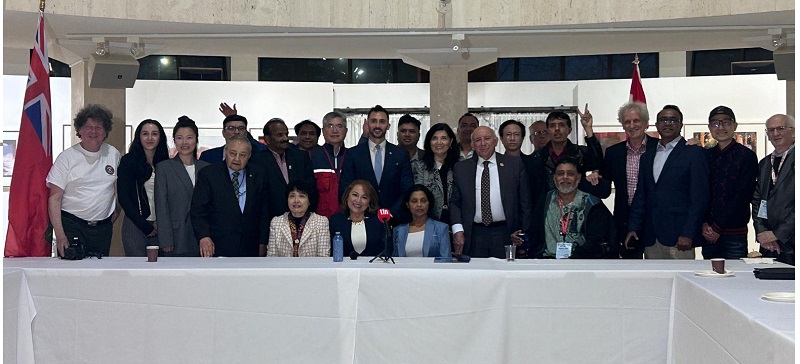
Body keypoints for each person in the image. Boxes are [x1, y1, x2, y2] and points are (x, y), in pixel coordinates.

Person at [626, 105, 709, 259]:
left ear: (680, 125)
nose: (668, 123)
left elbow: (699, 198)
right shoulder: (647, 156)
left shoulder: (693, 153)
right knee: (655, 282)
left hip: (679, 237)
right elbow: (641, 196)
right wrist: (633, 228)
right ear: (656, 125)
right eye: (663, 120)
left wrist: (688, 233)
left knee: (682, 281)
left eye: (673, 120)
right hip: (651, 236)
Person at [47, 104, 121, 257]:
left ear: (105, 131)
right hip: (72, 226)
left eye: (99, 127)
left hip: (102, 228)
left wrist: (113, 216)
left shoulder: (112, 154)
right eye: (88, 127)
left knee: (99, 275)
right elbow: (54, 199)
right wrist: (60, 235)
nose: (93, 131)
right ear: (79, 130)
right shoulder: (66, 158)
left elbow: (118, 190)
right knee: (73, 276)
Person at [589, 102, 659, 259]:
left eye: (636, 120)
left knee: (657, 269)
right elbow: (604, 186)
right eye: (627, 121)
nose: (632, 125)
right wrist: (594, 177)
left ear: (646, 123)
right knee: (630, 272)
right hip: (624, 220)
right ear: (623, 125)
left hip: (654, 217)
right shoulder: (614, 153)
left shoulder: (659, 148)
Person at [450, 126, 532, 258]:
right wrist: (457, 231)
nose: (483, 143)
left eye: (487, 139)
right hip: (474, 233)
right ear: (472, 144)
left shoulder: (514, 165)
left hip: (505, 233)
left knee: (505, 275)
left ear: (495, 141)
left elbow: (525, 202)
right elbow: (455, 202)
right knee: (476, 275)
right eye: (478, 140)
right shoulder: (462, 168)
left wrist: (521, 232)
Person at [191, 136, 270, 257]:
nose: (237, 159)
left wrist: (262, 242)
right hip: (217, 243)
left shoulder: (258, 174)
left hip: (250, 245)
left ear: (249, 156)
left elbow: (264, 212)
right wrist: (204, 236)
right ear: (225, 152)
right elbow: (198, 210)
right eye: (233, 153)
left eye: (243, 155)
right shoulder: (209, 174)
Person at [522, 159, 616, 259]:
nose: (565, 177)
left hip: (582, 263)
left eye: (570, 174)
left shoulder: (591, 203)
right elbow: (535, 234)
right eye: (560, 174)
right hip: (548, 262)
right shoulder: (545, 201)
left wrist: (574, 259)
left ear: (579, 178)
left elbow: (595, 240)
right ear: (554, 178)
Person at [701, 106, 758, 259]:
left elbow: (742, 196)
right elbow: (701, 193)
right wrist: (705, 223)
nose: (721, 127)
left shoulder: (746, 156)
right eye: (715, 123)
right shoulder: (706, 156)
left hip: (734, 233)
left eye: (726, 122)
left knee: (736, 279)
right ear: (709, 127)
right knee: (709, 278)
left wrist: (717, 228)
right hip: (708, 233)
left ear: (735, 125)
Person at [339, 105, 414, 216]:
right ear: (367, 124)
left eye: (382, 122)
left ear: (388, 126)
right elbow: (345, 188)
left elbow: (407, 189)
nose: (378, 126)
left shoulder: (400, 154)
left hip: (394, 218)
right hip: (362, 217)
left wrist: (392, 213)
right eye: (373, 121)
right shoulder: (353, 154)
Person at [154, 116, 210, 257]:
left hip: (203, 237)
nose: (184, 142)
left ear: (196, 139)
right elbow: (161, 205)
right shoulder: (164, 168)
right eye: (179, 138)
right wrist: (165, 240)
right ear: (174, 140)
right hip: (176, 235)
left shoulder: (206, 168)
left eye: (189, 137)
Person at [118, 119, 169, 257]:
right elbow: (124, 197)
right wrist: (144, 225)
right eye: (145, 134)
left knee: (161, 270)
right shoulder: (128, 161)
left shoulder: (166, 162)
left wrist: (162, 220)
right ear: (138, 137)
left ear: (160, 137)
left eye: (154, 134)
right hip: (135, 223)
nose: (150, 138)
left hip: (162, 224)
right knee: (137, 270)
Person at [250, 118, 315, 218]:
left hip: (301, 216)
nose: (285, 138)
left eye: (286, 134)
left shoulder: (300, 157)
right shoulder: (257, 161)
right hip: (270, 218)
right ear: (267, 139)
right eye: (279, 135)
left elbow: (311, 188)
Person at [753, 114, 795, 265]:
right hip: (769, 245)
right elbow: (757, 200)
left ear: (793, 131)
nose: (775, 134)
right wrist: (762, 232)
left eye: (780, 129)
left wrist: (778, 234)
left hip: (792, 241)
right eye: (771, 130)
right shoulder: (765, 163)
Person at [530, 106, 603, 192]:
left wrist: (588, 129)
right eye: (552, 126)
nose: (557, 129)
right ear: (548, 130)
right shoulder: (537, 157)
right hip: (547, 203)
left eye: (561, 125)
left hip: (576, 202)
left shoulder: (580, 152)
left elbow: (598, 162)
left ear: (569, 130)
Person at [410, 123, 459, 224]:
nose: (439, 142)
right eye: (434, 138)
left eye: (444, 138)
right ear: (429, 142)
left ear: (451, 142)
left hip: (457, 222)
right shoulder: (418, 167)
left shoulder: (460, 166)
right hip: (427, 222)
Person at [267, 180, 330, 257]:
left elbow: (323, 257)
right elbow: (271, 257)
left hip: (311, 268)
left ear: (309, 200)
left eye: (301, 196)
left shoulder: (321, 222)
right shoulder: (276, 222)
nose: (296, 201)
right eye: (292, 196)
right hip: (283, 268)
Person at [329, 180, 385, 257]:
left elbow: (385, 250)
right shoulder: (336, 221)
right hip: (342, 268)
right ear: (347, 197)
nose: (358, 201)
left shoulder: (378, 221)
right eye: (355, 195)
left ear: (369, 202)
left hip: (373, 267)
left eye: (364, 197)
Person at [393, 185, 451, 257]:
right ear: (408, 205)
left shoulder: (441, 228)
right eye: (414, 201)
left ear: (429, 203)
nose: (419, 205)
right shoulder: (399, 230)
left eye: (423, 201)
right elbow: (396, 260)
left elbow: (446, 259)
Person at [311, 111, 349, 217]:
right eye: (330, 126)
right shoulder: (313, 156)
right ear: (323, 131)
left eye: (339, 126)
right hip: (320, 219)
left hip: (347, 217)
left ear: (346, 131)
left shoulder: (352, 156)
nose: (334, 130)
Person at [199, 114, 265, 163]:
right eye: (231, 128)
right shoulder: (208, 156)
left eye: (241, 128)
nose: (237, 132)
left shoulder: (257, 155)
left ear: (246, 133)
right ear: (223, 132)